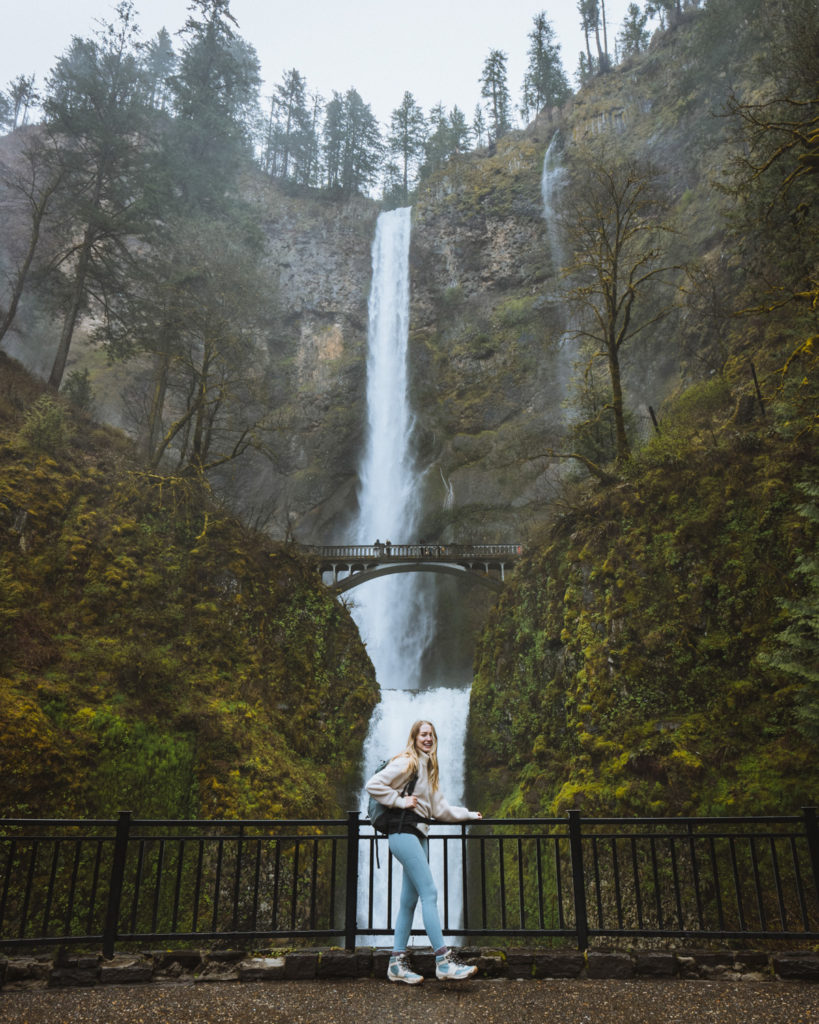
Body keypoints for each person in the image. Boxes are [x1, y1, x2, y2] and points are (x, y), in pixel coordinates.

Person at [365, 719, 482, 984]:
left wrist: (469, 815)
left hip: (418, 834)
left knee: (409, 901)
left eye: (431, 735)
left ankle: (396, 963)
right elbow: (374, 784)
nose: (428, 739)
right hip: (402, 832)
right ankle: (443, 960)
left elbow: (439, 810)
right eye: (423, 735)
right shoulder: (409, 762)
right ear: (415, 738)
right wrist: (399, 801)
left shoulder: (428, 768)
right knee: (429, 892)